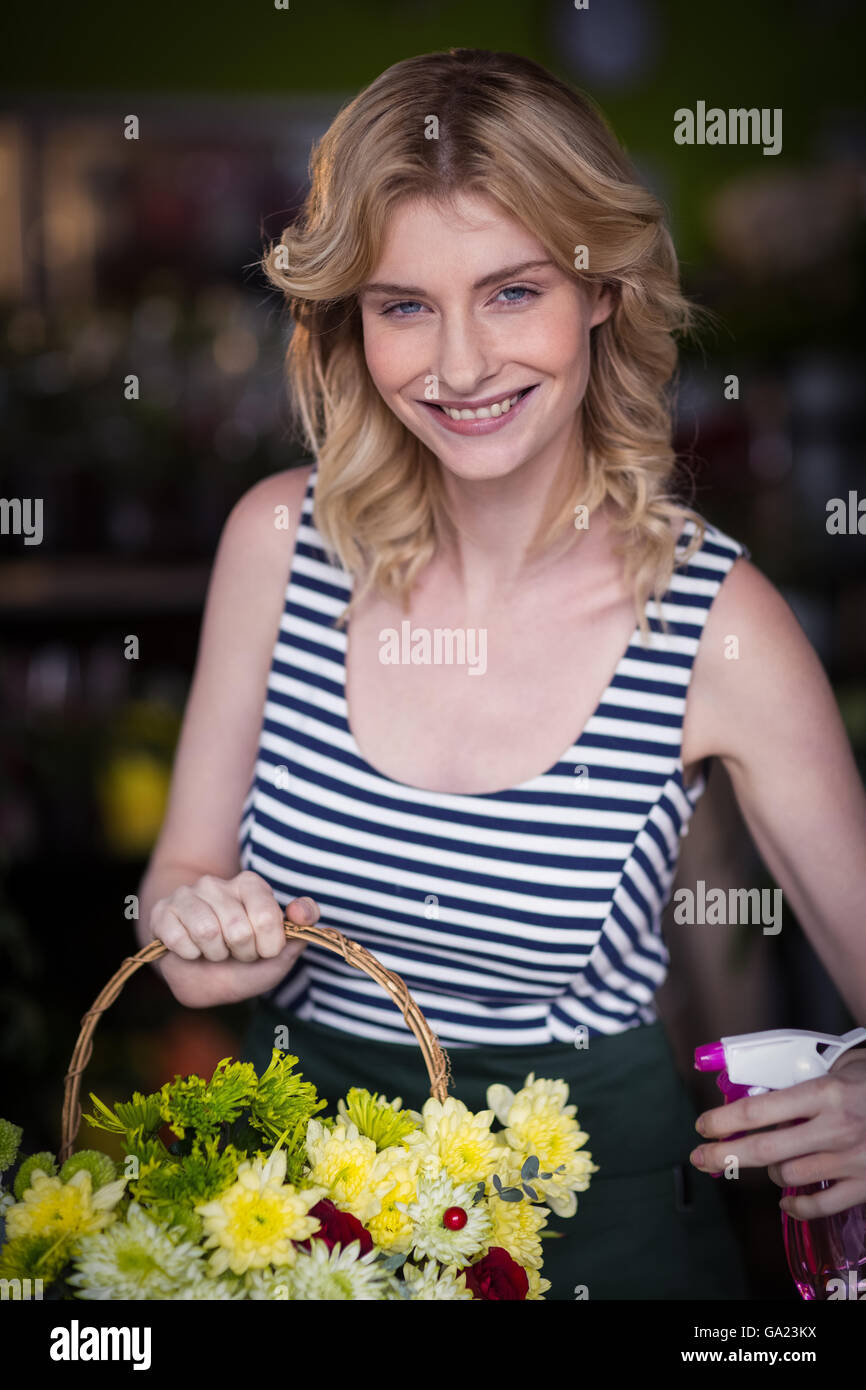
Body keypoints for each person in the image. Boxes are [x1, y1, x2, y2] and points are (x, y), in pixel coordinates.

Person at [135, 49, 866, 1300]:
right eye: (403, 304)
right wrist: (212, 933)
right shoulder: (278, 544)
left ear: (598, 290)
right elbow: (182, 914)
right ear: (349, 319)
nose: (459, 367)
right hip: (304, 1230)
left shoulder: (715, 623)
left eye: (511, 290)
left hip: (595, 1234)